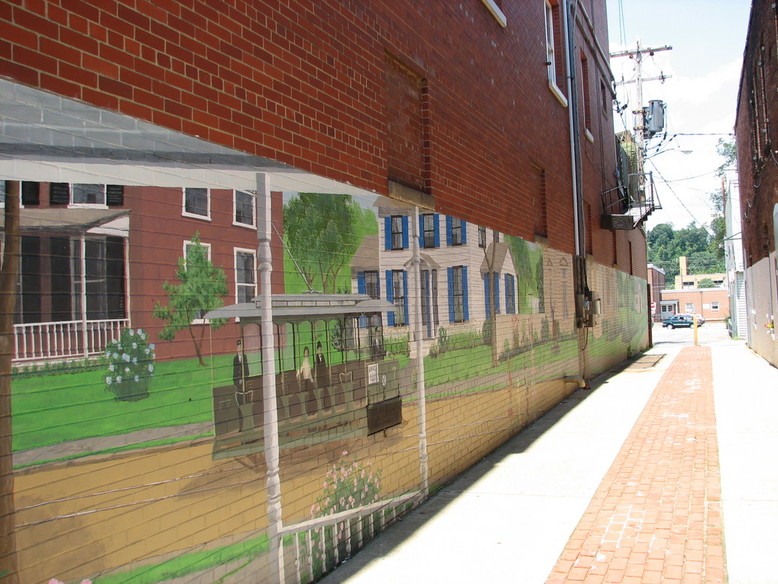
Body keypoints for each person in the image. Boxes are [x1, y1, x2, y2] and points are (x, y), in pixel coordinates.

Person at [233, 339, 252, 431]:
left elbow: (247, 371)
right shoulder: (235, 359)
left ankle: (248, 425)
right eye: (238, 347)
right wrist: (236, 383)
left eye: (240, 347)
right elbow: (234, 373)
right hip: (239, 387)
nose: (239, 349)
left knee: (246, 406)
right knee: (240, 407)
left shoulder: (244, 357)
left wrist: (244, 379)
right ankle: (241, 427)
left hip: (245, 386)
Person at [297, 346, 316, 415]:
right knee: (309, 396)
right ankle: (309, 412)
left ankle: (312, 411)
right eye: (305, 352)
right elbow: (301, 369)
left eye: (307, 352)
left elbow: (309, 373)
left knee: (312, 396)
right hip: (306, 381)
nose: (306, 354)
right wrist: (297, 373)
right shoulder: (304, 361)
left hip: (309, 380)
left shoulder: (308, 361)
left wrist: (312, 380)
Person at [314, 341, 331, 409]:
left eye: (321, 349)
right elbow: (316, 367)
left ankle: (327, 406)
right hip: (319, 377)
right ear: (317, 349)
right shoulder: (316, 357)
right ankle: (322, 407)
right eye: (319, 349)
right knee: (321, 392)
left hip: (324, 376)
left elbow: (325, 366)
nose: (320, 350)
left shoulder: (323, 356)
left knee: (326, 391)